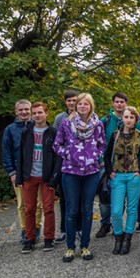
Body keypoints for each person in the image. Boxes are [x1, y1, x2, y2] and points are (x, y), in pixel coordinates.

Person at [53, 93, 105, 262]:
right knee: (71, 210)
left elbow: (102, 144)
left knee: (87, 210)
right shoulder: (66, 123)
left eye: (86, 104)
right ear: (76, 106)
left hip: (91, 172)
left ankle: (84, 246)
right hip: (70, 172)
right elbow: (57, 144)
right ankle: (70, 247)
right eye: (80, 104)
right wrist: (68, 154)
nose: (82, 106)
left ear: (91, 106)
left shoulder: (97, 124)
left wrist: (94, 156)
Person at [15, 102, 61, 254]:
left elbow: (58, 157)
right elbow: (21, 155)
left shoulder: (53, 132)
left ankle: (49, 238)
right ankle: (30, 239)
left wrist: (55, 177)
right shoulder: (26, 132)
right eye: (34, 113)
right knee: (29, 209)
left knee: (48, 208)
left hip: (46, 177)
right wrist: (19, 178)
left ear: (46, 113)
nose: (37, 115)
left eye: (40, 112)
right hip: (29, 176)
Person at [104, 106, 140, 255]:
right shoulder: (115, 135)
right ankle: (118, 237)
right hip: (118, 176)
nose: (128, 120)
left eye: (131, 117)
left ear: (136, 119)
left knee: (132, 209)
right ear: (122, 118)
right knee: (116, 210)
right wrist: (110, 172)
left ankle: (127, 238)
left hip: (134, 176)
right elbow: (107, 155)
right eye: (126, 117)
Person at [2, 99, 42, 244]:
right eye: (21, 110)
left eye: (26, 109)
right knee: (22, 204)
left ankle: (36, 229)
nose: (24, 112)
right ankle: (25, 230)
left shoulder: (39, 126)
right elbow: (6, 152)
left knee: (38, 204)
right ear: (16, 111)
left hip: (37, 171)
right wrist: (12, 172)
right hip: (19, 172)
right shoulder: (10, 130)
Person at [96, 92, 129, 239]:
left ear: (126, 103)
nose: (119, 104)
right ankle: (105, 223)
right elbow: (97, 141)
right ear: (113, 103)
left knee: (120, 197)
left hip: (124, 165)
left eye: (122, 102)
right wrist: (101, 159)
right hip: (106, 163)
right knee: (104, 194)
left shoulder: (129, 119)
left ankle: (116, 223)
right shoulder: (105, 120)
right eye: (117, 102)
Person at [52, 89, 80, 244]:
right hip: (65, 163)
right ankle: (64, 229)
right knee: (65, 199)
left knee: (81, 199)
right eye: (69, 100)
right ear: (65, 102)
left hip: (81, 164)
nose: (72, 103)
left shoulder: (86, 117)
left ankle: (79, 228)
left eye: (74, 100)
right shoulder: (60, 118)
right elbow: (57, 140)